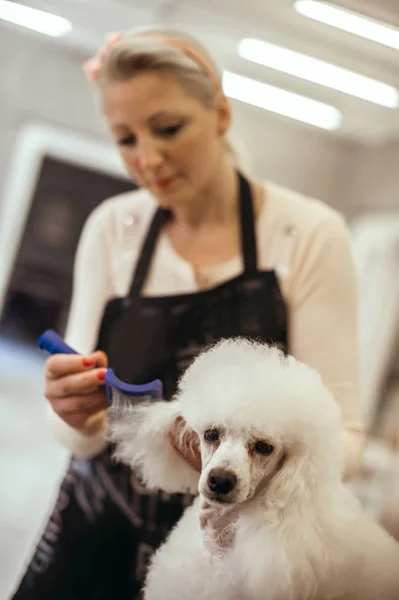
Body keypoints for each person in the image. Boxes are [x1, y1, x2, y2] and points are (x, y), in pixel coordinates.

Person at [12, 25, 365, 600]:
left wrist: (259, 457)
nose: (147, 159)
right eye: (125, 139)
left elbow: (343, 438)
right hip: (94, 529)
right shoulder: (113, 229)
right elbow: (80, 439)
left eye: (168, 128)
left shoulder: (307, 236)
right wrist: (73, 413)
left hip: (223, 561)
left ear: (221, 113)